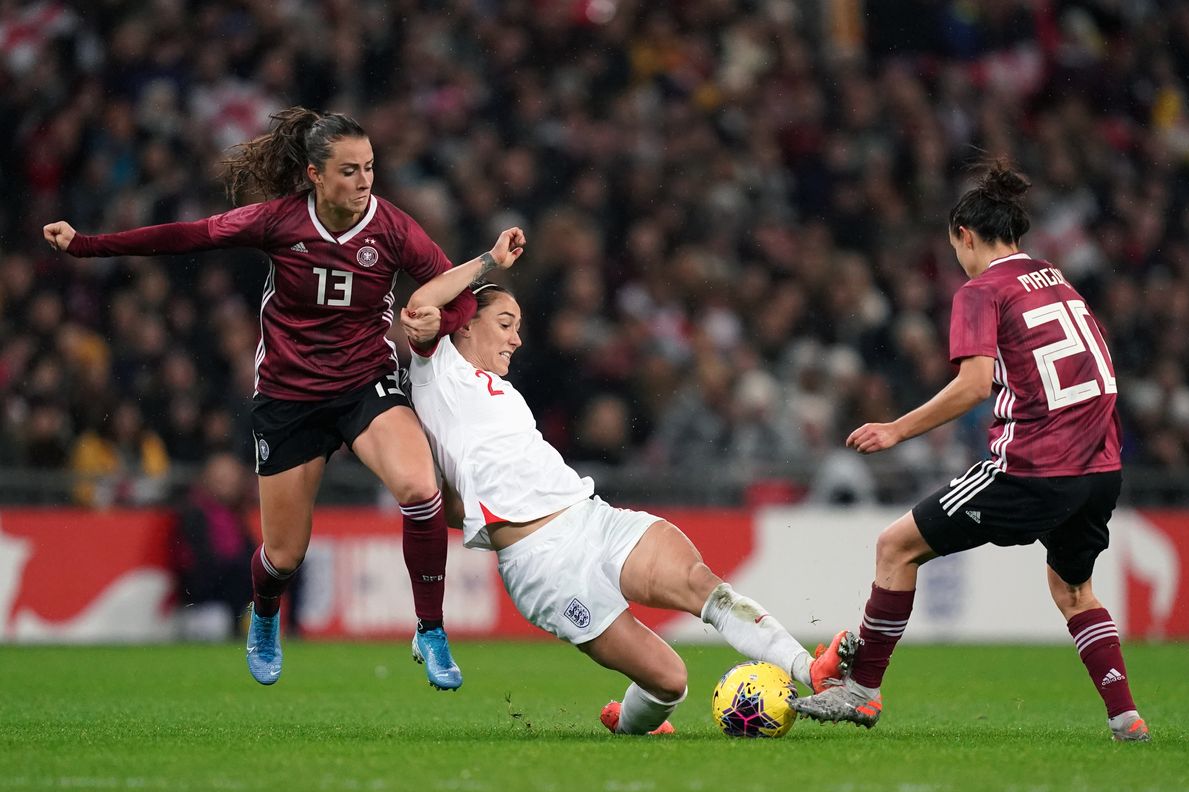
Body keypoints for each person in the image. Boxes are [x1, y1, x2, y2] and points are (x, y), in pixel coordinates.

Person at [43, 106, 525, 690]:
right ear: (316, 175)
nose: (365, 181)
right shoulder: (278, 220)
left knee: (421, 492)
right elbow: (188, 236)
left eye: (370, 168)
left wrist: (435, 326)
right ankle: (265, 611)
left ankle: (430, 630)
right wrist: (88, 245)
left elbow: (458, 293)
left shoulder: (394, 228)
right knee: (283, 556)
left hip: (364, 385)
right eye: (349, 171)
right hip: (288, 396)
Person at [400, 245, 856, 735]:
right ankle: (629, 723)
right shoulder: (439, 367)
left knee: (703, 586)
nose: (517, 337)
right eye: (506, 323)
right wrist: (490, 260)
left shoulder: (503, 392)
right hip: (543, 566)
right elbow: (421, 302)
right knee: (670, 682)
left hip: (593, 519)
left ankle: (811, 670)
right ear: (465, 323)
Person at [791, 162, 1150, 742]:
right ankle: (1125, 717)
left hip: (1033, 466)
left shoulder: (981, 291)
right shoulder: (1055, 278)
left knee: (895, 547)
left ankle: (861, 692)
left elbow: (974, 386)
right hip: (1101, 466)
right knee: (1074, 588)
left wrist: (896, 430)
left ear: (964, 235)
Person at [171, 451, 256, 639]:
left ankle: (291, 629)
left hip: (230, 577)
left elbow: (249, 548)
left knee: (284, 570)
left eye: (232, 478)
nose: (228, 483)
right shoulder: (195, 511)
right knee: (240, 573)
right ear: (207, 479)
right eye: (222, 478)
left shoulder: (234, 512)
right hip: (205, 586)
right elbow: (199, 559)